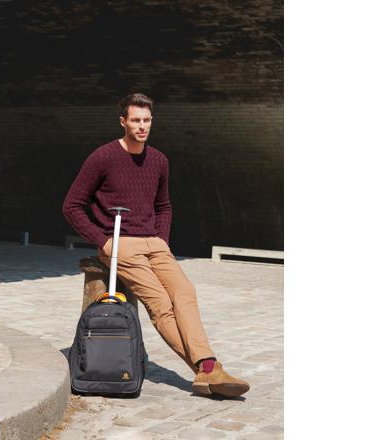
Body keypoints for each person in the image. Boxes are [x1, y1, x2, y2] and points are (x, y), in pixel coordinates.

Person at [62, 93, 250, 398]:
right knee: (160, 303)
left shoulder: (159, 160)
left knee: (185, 291)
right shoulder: (102, 157)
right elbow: (72, 205)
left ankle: (208, 372)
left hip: (155, 243)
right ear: (123, 121)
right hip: (120, 243)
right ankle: (208, 368)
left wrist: (162, 238)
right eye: (135, 120)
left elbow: (164, 206)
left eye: (147, 120)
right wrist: (103, 241)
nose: (142, 126)